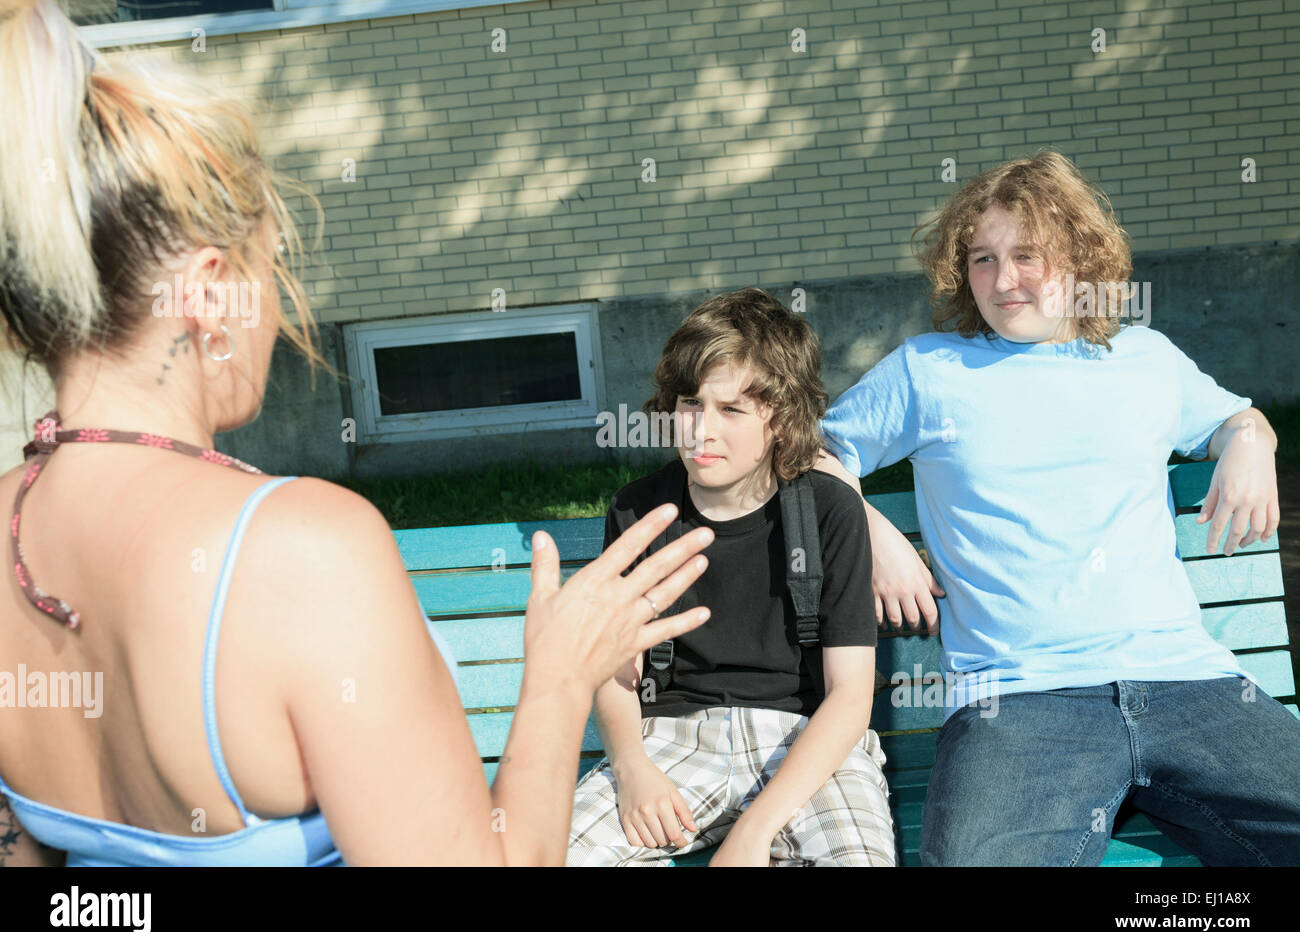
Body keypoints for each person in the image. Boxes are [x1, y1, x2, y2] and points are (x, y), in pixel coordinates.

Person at [0, 0, 715, 867]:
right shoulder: (298, 550)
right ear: (209, 290)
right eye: (275, 267)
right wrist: (561, 678)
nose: (278, 314)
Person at [814, 149, 1300, 866]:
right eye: (982, 259)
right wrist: (867, 525)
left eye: (1027, 255)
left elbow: (1234, 419)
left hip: (1191, 686)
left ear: (1078, 258)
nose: (1002, 280)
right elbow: (805, 452)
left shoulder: (1146, 359)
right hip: (1019, 703)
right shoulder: (930, 370)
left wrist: (1253, 434)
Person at [566, 288, 896, 867]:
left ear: (782, 419)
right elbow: (614, 671)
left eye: (732, 409)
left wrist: (754, 831)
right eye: (691, 403)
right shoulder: (640, 511)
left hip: (808, 743)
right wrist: (630, 765)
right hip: (670, 740)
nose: (701, 430)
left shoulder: (826, 509)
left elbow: (848, 696)